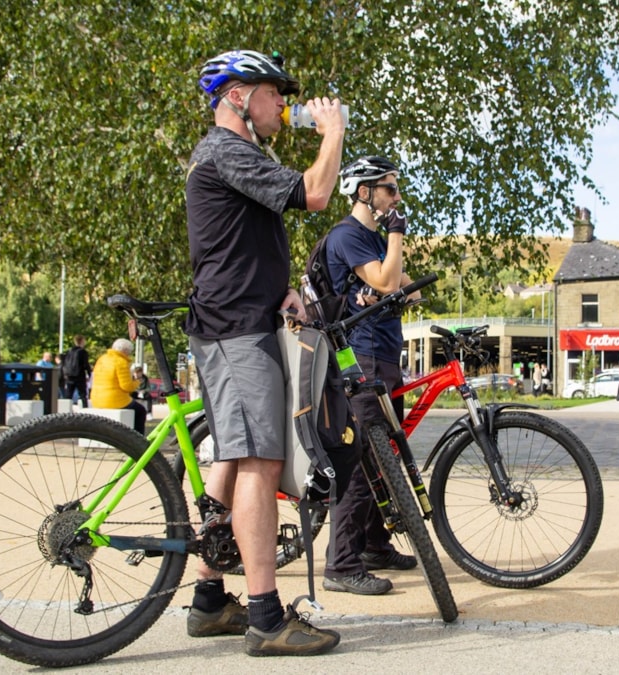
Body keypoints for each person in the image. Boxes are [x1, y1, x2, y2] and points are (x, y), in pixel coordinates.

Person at [182, 49, 345, 656]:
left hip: (243, 318)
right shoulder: (227, 149)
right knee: (258, 459)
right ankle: (266, 619)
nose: (283, 102)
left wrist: (281, 290)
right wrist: (333, 131)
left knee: (234, 450)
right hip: (234, 329)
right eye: (273, 91)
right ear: (237, 97)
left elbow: (239, 241)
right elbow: (315, 193)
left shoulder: (237, 154)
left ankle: (206, 599)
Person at [319, 156, 420, 597]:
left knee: (386, 455)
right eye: (389, 189)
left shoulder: (374, 239)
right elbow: (382, 279)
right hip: (357, 357)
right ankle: (341, 564)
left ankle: (374, 545)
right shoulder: (347, 236)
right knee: (361, 460)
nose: (397, 198)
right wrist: (396, 234)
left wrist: (408, 286)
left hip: (383, 353)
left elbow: (399, 280)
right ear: (365, 192)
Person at [90, 338, 147, 435]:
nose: (129, 354)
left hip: (96, 399)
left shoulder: (102, 358)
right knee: (141, 411)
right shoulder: (121, 362)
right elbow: (126, 387)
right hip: (114, 401)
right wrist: (137, 382)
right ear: (125, 351)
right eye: (129, 352)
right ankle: (138, 440)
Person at [62, 335, 92, 407]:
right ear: (82, 341)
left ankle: (65, 409)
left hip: (69, 375)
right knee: (82, 394)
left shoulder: (68, 351)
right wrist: (89, 374)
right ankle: (85, 409)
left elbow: (64, 363)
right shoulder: (82, 352)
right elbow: (85, 364)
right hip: (79, 375)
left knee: (68, 395)